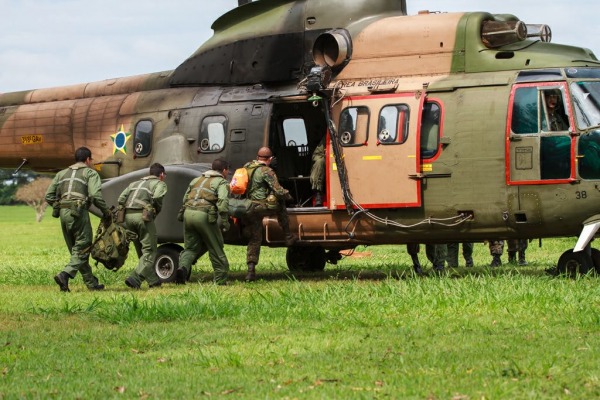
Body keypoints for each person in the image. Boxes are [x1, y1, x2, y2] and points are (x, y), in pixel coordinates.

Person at [46, 146, 111, 292]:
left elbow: (49, 196)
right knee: (83, 247)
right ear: (88, 159)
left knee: (77, 251)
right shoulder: (90, 173)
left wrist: (59, 206)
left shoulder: (61, 173)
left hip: (64, 213)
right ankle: (65, 274)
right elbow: (95, 195)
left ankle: (91, 284)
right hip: (79, 212)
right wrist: (105, 212)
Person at [242, 146, 297, 281]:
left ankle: (251, 270)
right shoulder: (267, 171)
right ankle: (288, 235)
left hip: (249, 207)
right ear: (270, 159)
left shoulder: (247, 167)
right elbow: (278, 191)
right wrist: (289, 196)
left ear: (257, 157)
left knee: (255, 239)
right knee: (281, 205)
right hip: (262, 206)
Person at [176, 159, 231, 285]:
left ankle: (182, 269)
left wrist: (181, 214)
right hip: (204, 216)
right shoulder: (221, 182)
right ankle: (221, 279)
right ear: (224, 170)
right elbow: (223, 202)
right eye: (227, 170)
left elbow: (185, 198)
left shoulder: (196, 180)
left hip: (188, 214)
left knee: (190, 248)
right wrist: (225, 221)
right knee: (215, 247)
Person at [118, 163, 167, 289]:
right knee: (150, 251)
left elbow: (121, 198)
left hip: (128, 217)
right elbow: (157, 196)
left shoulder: (134, 183)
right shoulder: (159, 183)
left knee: (141, 249)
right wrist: (156, 208)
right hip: (143, 217)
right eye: (164, 175)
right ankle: (135, 278)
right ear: (161, 175)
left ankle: (153, 280)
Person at [310, 136, 326, 206]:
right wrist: (326, 155)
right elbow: (316, 155)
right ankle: (318, 193)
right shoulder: (327, 137)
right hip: (328, 165)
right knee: (319, 162)